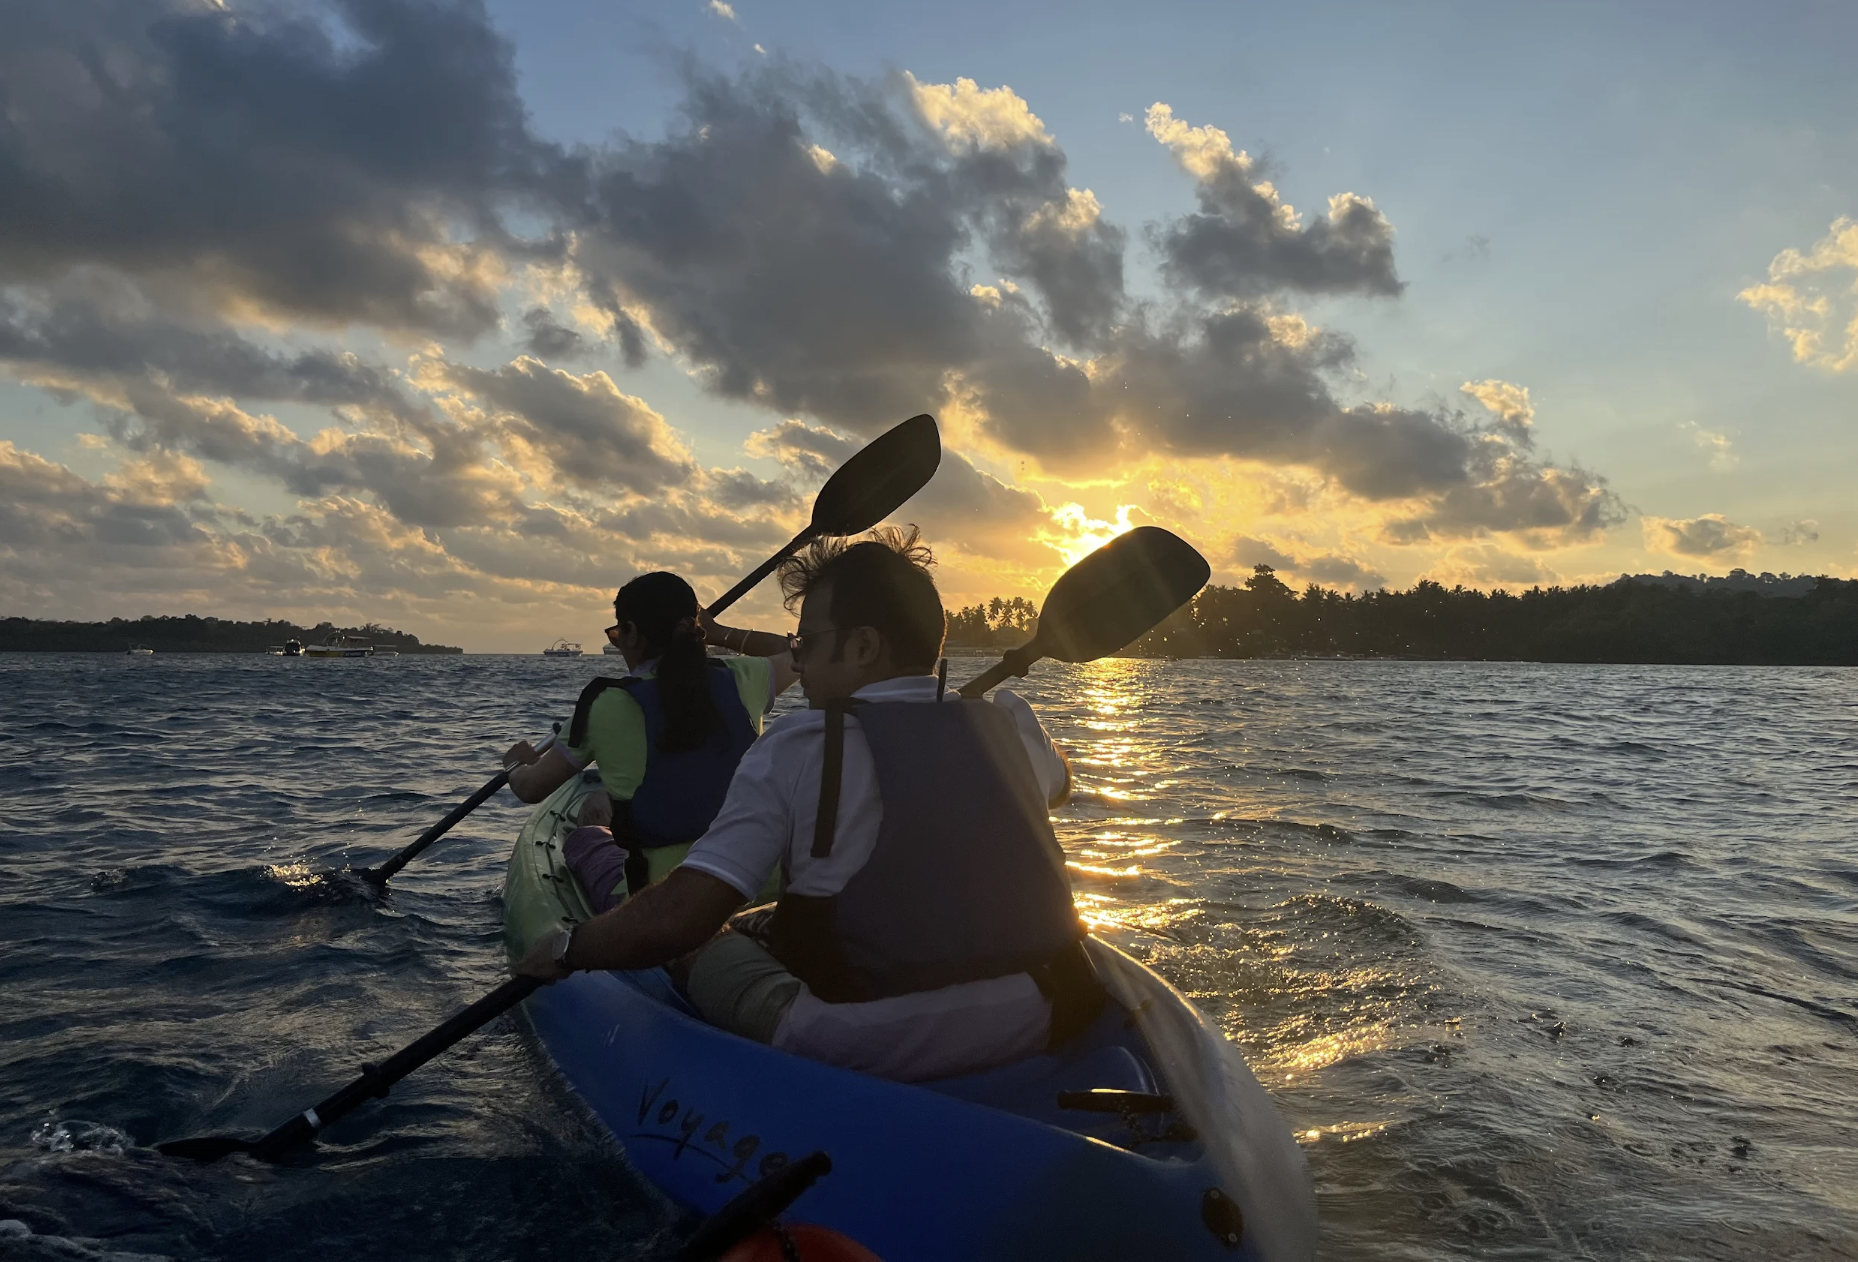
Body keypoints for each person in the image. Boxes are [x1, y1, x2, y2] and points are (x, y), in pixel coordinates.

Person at [515, 528, 1100, 1083]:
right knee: (773, 917)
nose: (799, 658)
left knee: (701, 943)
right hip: (1040, 1012)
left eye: (808, 642)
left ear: (864, 645)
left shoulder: (801, 746)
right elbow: (1061, 784)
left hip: (859, 1042)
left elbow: (677, 919)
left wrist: (571, 948)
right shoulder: (1011, 724)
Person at [505, 571, 797, 910]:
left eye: (616, 633)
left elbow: (530, 788)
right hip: (761, 882)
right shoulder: (744, 677)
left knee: (587, 836)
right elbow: (793, 652)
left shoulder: (605, 705)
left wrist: (516, 763)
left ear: (630, 634)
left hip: (664, 904)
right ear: (692, 628)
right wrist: (720, 633)